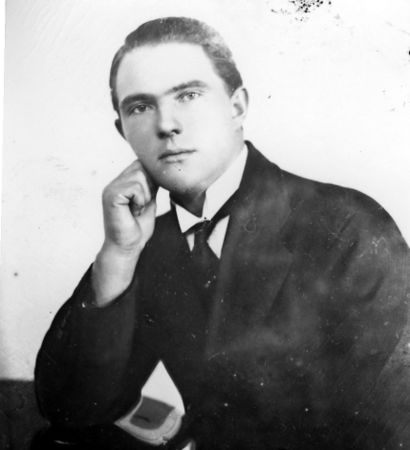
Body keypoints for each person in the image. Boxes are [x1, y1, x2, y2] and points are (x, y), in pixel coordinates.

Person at [34, 17, 410, 449]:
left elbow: (386, 424)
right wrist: (117, 255)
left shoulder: (347, 226)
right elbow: (69, 408)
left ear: (237, 107)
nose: (166, 124)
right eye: (139, 107)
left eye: (188, 95)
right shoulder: (143, 244)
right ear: (122, 130)